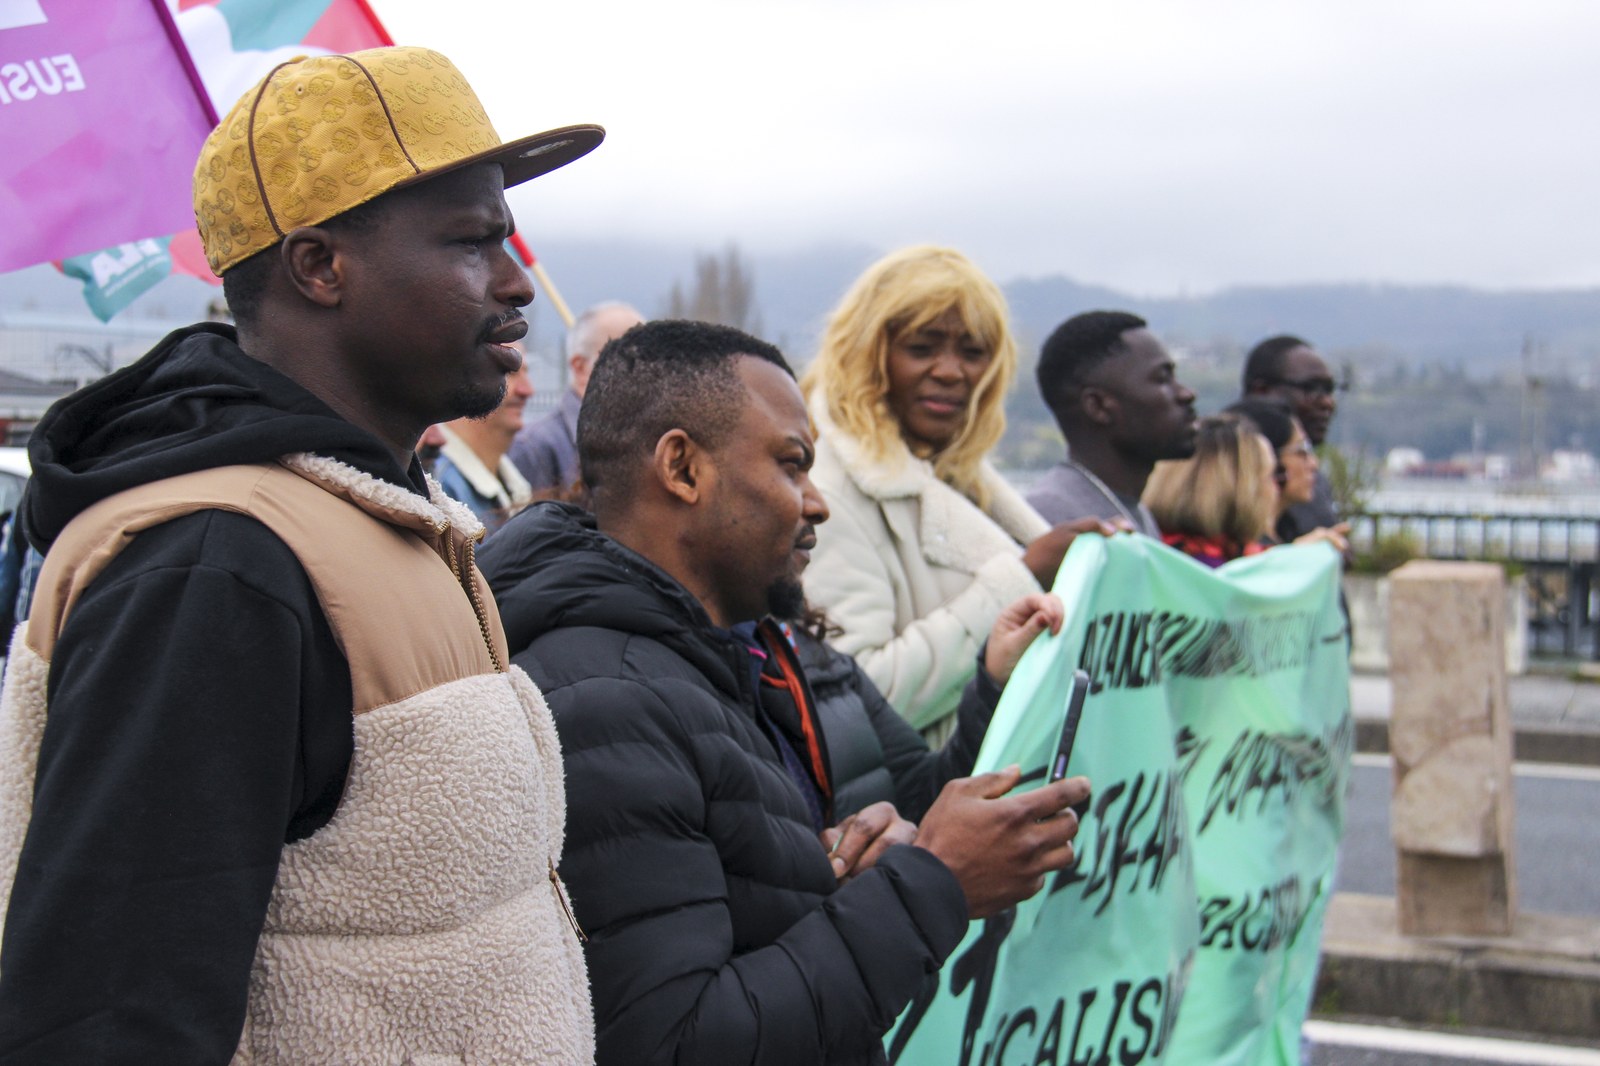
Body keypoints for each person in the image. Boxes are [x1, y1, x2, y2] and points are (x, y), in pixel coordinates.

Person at [0, 47, 602, 1063]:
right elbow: (104, 1021)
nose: (516, 282)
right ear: (320, 265)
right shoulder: (213, 564)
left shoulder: (372, 518)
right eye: (472, 241)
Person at [477, 319, 1090, 1066]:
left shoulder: (724, 662)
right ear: (682, 468)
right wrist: (930, 883)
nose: (817, 503)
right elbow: (675, 1041)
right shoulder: (606, 702)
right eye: (792, 465)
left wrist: (842, 872)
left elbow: (756, 914)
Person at [801, 246, 1111, 739]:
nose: (951, 371)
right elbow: (852, 700)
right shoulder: (829, 493)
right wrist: (1022, 579)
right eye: (922, 348)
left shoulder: (958, 475)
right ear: (866, 354)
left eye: (973, 352)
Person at [1028, 309, 1198, 535]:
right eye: (1162, 379)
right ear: (1098, 406)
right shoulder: (1048, 518)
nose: (1186, 394)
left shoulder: (1135, 512)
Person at [509, 300, 643, 493]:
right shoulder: (535, 449)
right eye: (629, 359)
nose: (643, 371)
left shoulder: (634, 441)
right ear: (580, 367)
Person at [1144, 413, 1279, 567]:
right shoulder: (1224, 576)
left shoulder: (1147, 550)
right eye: (1270, 476)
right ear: (1244, 491)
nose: (1275, 489)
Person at [1242, 334, 1340, 540]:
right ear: (1261, 391)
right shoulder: (1226, 478)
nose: (1327, 403)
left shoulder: (1311, 480)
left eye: (1330, 390)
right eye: (1311, 388)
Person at [434, 360, 536, 533]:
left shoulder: (515, 483)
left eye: (526, 372)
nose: (527, 390)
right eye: (508, 373)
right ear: (462, 382)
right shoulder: (439, 485)